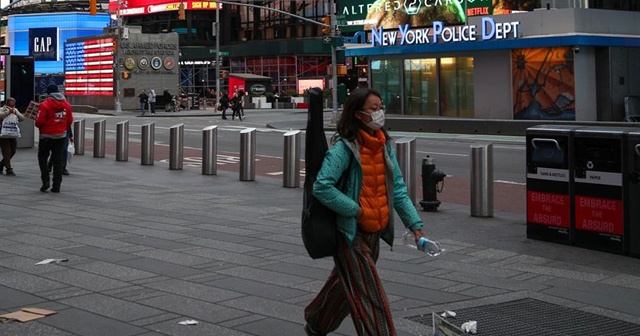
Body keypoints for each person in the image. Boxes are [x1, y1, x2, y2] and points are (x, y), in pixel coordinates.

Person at [304, 88, 427, 336]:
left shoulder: (383, 146)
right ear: (358, 114)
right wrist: (356, 212)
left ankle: (317, 322)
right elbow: (322, 186)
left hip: (375, 231)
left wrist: (415, 226)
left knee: (346, 283)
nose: (379, 112)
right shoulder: (345, 148)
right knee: (371, 298)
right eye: (373, 108)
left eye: (381, 107)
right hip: (351, 233)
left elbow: (398, 191)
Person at [36, 84, 73, 193]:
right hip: (60, 136)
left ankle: (45, 180)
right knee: (58, 160)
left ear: (48, 93)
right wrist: (62, 128)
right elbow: (69, 120)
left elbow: (39, 122)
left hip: (46, 136)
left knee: (42, 157)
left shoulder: (44, 104)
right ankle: (57, 186)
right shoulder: (67, 105)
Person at [0, 98, 26, 176]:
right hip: (3, 134)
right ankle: (9, 169)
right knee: (6, 152)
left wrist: (16, 113)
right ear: (6, 103)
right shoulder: (2, 109)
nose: (12, 105)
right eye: (10, 103)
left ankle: (1, 164)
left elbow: (22, 118)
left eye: (13, 103)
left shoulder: (15, 110)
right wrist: (7, 112)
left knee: (13, 151)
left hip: (12, 133)